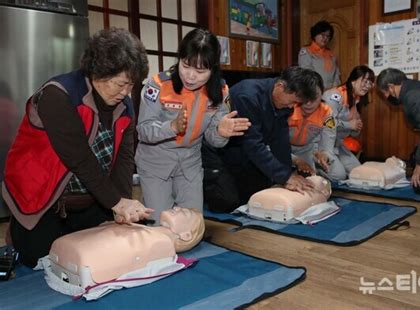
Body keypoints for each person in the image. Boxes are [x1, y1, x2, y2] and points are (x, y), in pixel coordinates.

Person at [1, 28, 154, 268]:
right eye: (121, 84)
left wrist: (122, 204)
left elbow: (124, 157)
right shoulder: (58, 95)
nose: (126, 93)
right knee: (41, 258)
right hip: (43, 197)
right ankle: (19, 229)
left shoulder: (124, 105)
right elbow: (79, 158)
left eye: (132, 85)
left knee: (119, 244)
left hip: (90, 196)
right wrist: (116, 202)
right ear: (99, 72)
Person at [135, 29, 251, 218]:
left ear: (212, 69)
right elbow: (144, 130)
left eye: (200, 71)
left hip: (190, 162)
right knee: (160, 225)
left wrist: (221, 133)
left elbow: (214, 141)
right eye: (185, 65)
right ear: (179, 59)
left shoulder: (220, 91)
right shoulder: (158, 85)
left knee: (193, 224)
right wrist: (171, 127)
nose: (190, 76)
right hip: (156, 161)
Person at [202, 66, 320, 213]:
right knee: (227, 202)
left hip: (243, 153)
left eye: (297, 104)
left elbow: (280, 141)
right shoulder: (247, 96)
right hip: (219, 152)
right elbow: (252, 143)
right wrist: (284, 177)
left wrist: (287, 174)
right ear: (280, 86)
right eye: (293, 101)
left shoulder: (284, 102)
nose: (292, 106)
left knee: (261, 194)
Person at [44, 207, 204, 299]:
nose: (177, 207)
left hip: (85, 255)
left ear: (186, 235)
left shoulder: (161, 242)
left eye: (184, 212)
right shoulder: (149, 230)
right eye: (179, 207)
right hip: (82, 246)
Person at [319, 65, 375, 181]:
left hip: (338, 143)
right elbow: (327, 122)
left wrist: (356, 128)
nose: (367, 86)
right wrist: (350, 125)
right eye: (364, 82)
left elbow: (352, 132)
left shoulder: (356, 100)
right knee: (339, 176)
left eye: (370, 83)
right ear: (353, 81)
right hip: (323, 143)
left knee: (358, 172)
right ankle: (313, 166)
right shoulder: (334, 96)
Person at [288, 75, 337, 174]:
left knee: (310, 179)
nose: (309, 103)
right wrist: (296, 161)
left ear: (322, 95)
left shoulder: (326, 112)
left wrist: (324, 155)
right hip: (282, 147)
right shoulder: (288, 107)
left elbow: (328, 142)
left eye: (314, 97)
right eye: (305, 97)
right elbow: (274, 144)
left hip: (305, 149)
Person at [298, 20, 341, 90]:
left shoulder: (331, 54)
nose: (325, 38)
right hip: (313, 91)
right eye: (323, 35)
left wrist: (334, 89)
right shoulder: (306, 51)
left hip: (331, 93)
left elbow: (336, 75)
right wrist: (318, 90)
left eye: (328, 36)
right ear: (315, 34)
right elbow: (307, 74)